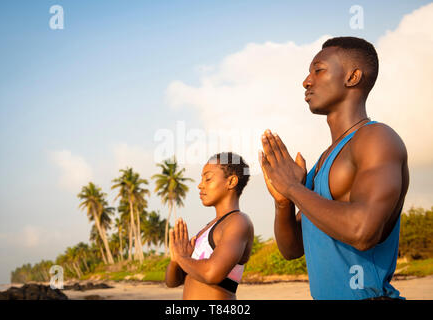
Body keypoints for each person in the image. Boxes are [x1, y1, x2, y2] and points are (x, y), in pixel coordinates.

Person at [259, 36, 409, 300]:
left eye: (318, 70)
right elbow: (292, 249)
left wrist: (293, 188)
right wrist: (283, 201)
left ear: (352, 77)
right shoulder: (321, 164)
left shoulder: (377, 139)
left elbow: (362, 232)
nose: (306, 81)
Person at [165, 152, 254, 300]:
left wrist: (182, 258)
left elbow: (211, 273)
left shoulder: (239, 222)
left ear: (231, 181)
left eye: (208, 178)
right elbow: (172, 282)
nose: (200, 185)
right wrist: (175, 260)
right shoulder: (206, 230)